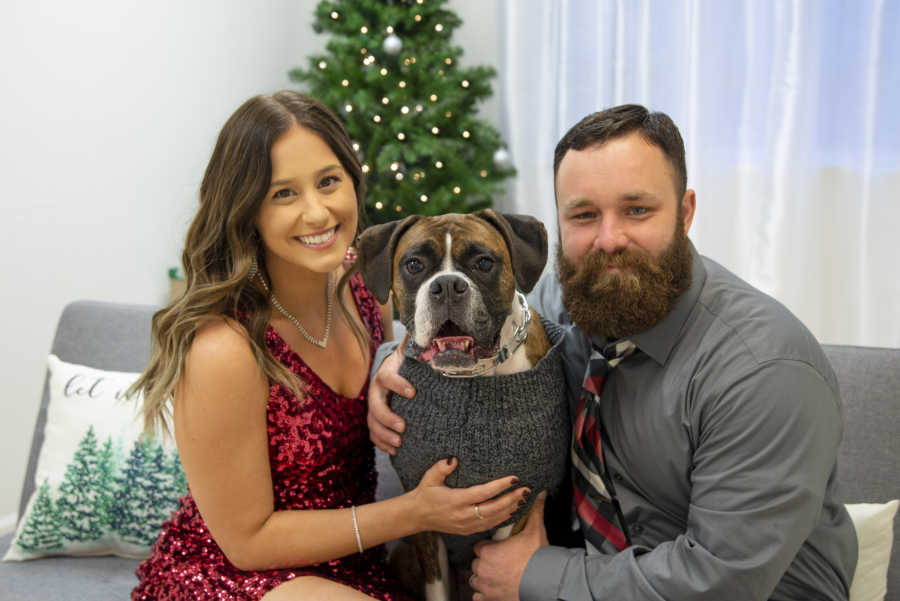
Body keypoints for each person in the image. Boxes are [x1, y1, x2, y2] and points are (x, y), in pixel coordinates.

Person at [368, 104, 858, 601]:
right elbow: (486, 327)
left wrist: (537, 574)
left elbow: (722, 581)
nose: (609, 240)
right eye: (583, 215)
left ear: (685, 213)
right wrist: (389, 362)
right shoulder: (576, 298)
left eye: (637, 210)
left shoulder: (762, 371)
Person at [129, 91, 530, 601]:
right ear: (246, 209)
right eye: (283, 194)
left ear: (353, 180)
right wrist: (415, 513)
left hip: (355, 569)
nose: (317, 213)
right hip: (237, 577)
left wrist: (392, 367)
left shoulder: (365, 292)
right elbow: (247, 544)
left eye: (328, 182)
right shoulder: (223, 346)